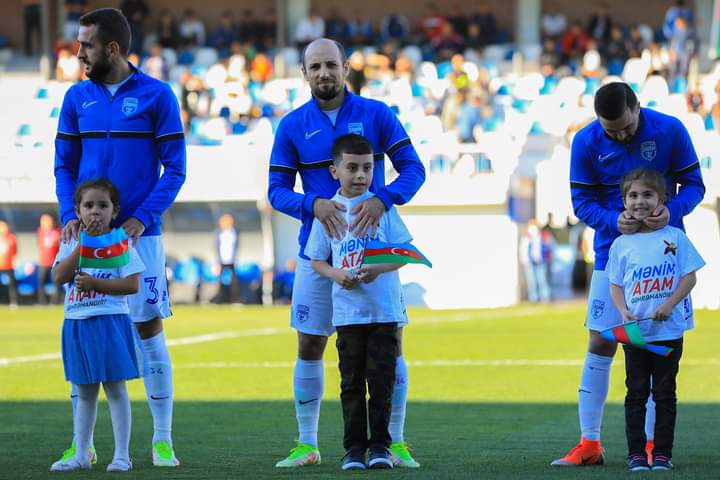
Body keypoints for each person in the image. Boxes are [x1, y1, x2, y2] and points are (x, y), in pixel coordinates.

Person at [268, 38, 425, 468]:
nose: (324, 73)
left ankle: (395, 442)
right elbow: (276, 191)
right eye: (315, 66)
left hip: (373, 255)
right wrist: (312, 204)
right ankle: (307, 444)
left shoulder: (377, 114)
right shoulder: (291, 126)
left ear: (345, 68)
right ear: (304, 73)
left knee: (388, 347)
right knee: (310, 344)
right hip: (316, 255)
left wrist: (385, 198)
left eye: (331, 65)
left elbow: (414, 168)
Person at [54, 8, 186, 468]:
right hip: (87, 238)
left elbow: (177, 168)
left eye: (85, 44)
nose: (78, 51)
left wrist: (143, 217)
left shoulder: (158, 95)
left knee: (149, 329)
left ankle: (162, 440)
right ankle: (82, 444)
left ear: (111, 48)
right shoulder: (76, 99)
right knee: (84, 325)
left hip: (139, 237)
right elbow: (64, 165)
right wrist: (71, 213)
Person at [552, 82, 704, 466]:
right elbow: (582, 202)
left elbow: (695, 185)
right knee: (601, 341)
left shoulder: (669, 130)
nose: (618, 135)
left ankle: (654, 446)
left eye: (624, 127)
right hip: (613, 255)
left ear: (638, 108)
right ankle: (589, 444)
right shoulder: (586, 142)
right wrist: (611, 221)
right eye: (610, 131)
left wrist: (674, 211)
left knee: (657, 344)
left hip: (665, 258)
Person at [306, 134, 411, 470]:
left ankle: (381, 447)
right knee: (350, 383)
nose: (361, 175)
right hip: (348, 315)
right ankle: (353, 450)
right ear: (334, 170)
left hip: (383, 312)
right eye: (352, 168)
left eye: (367, 167)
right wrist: (338, 275)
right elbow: (317, 260)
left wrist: (377, 269)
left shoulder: (382, 208)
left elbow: (405, 253)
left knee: (381, 383)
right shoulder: (329, 212)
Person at [606, 168, 704, 471]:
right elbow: (616, 284)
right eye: (633, 195)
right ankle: (636, 453)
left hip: (668, 330)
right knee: (635, 393)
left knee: (664, 394)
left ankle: (662, 453)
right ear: (624, 201)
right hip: (635, 332)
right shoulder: (621, 243)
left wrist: (670, 304)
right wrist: (623, 312)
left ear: (662, 199)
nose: (640, 201)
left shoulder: (674, 237)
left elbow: (690, 277)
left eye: (647, 194)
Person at [49, 179, 145, 473]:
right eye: (88, 206)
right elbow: (58, 276)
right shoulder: (70, 241)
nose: (95, 212)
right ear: (77, 210)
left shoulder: (120, 242)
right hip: (77, 324)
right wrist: (82, 246)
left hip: (110, 321)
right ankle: (81, 453)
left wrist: (94, 283)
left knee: (116, 390)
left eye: (102, 206)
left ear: (114, 211)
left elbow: (131, 283)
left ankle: (121, 456)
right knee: (85, 392)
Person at [37, 213, 62, 304]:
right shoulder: (40, 232)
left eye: (46, 220)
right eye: (43, 221)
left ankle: (55, 302)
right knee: (41, 282)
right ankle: (42, 302)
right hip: (43, 262)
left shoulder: (58, 232)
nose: (44, 223)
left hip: (55, 262)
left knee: (56, 282)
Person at [215, 213, 239, 304]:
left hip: (231, 260)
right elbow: (216, 247)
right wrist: (217, 261)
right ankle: (220, 300)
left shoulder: (234, 232)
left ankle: (234, 299)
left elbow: (236, 246)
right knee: (220, 282)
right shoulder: (219, 233)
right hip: (221, 260)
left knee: (234, 282)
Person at [0, 221, 18, 307]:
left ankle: (14, 302)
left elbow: (15, 251)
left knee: (12, 284)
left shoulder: (11, 237)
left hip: (9, 265)